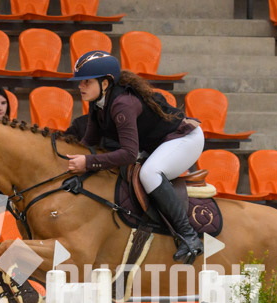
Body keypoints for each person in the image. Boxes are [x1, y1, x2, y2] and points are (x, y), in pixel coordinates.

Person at [65, 51, 205, 264]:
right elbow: (89, 142)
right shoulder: (98, 102)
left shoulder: (122, 104)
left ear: (105, 83)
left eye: (86, 81)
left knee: (149, 173)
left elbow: (129, 153)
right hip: (157, 144)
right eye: (80, 81)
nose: (80, 86)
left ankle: (189, 236)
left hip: (184, 139)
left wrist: (88, 162)